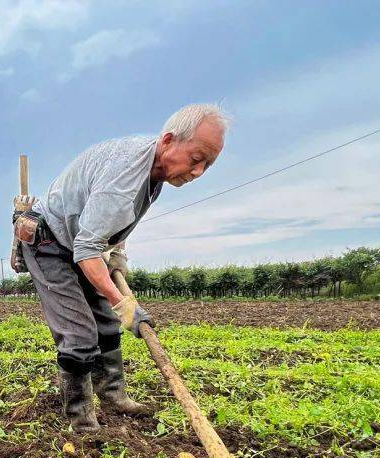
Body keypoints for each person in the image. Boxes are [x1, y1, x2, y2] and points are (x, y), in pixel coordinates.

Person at [12, 104, 229, 431]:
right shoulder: (125, 176)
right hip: (48, 242)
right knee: (80, 334)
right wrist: (124, 303)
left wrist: (116, 254)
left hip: (79, 241)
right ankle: (83, 423)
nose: (198, 171)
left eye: (207, 165)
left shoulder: (153, 170)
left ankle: (112, 394)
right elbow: (87, 248)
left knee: (107, 326)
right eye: (196, 159)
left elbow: (110, 224)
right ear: (169, 141)